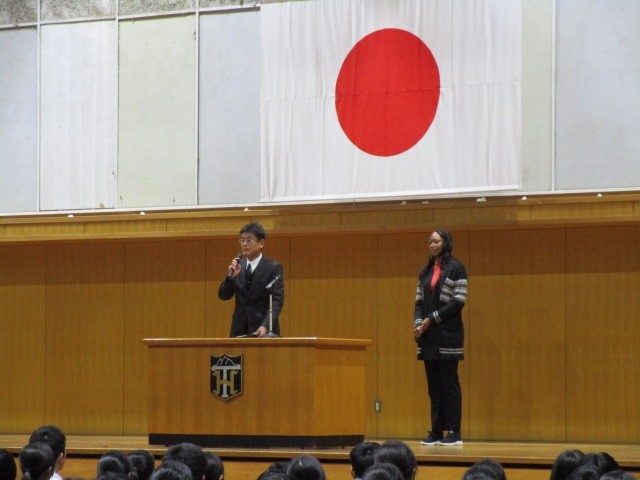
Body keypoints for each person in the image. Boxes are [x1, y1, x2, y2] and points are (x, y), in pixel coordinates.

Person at [413, 230, 468, 446]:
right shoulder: (425, 272)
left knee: (449, 385)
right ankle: (436, 431)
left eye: (436, 241)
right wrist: (419, 323)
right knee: (434, 386)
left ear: (446, 243)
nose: (432, 245)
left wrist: (432, 319)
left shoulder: (457, 267)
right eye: (430, 242)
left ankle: (454, 431)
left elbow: (458, 301)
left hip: (448, 336)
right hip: (429, 338)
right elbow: (419, 302)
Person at [218, 222, 284, 337]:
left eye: (249, 240)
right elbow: (224, 296)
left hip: (262, 330)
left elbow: (277, 301)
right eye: (242, 240)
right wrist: (230, 278)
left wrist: (265, 325)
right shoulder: (238, 266)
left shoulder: (273, 267)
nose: (244, 244)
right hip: (239, 330)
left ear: (261, 243)